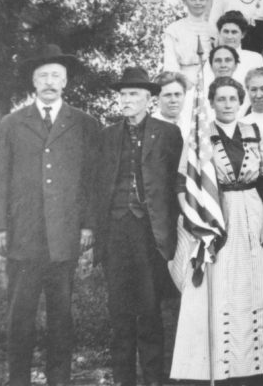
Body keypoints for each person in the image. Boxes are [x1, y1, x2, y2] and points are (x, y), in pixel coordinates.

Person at [0, 44, 100, 386]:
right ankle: (18, 379)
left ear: (65, 82)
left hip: (65, 239)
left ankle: (59, 380)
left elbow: (91, 180)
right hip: (24, 238)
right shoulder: (12, 123)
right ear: (34, 83)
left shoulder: (84, 123)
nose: (50, 82)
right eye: (43, 76)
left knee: (61, 319)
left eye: (56, 76)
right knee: (20, 317)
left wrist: (88, 226)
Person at [169, 77, 263, 381]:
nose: (227, 105)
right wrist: (196, 222)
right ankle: (221, 366)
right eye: (220, 99)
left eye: (232, 99)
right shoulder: (199, 134)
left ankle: (260, 366)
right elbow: (183, 182)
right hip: (216, 216)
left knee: (258, 286)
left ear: (240, 100)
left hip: (253, 210)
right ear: (212, 102)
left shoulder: (253, 131)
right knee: (222, 287)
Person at [93, 67, 183, 386]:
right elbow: (96, 185)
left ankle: (155, 379)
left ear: (149, 99)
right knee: (118, 311)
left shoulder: (168, 134)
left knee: (149, 309)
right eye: (123, 94)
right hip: (116, 232)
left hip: (151, 233)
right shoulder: (106, 135)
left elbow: (176, 186)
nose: (127, 99)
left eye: (134, 94)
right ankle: (123, 380)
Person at [163, 0, 217, 85]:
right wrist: (184, 83)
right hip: (183, 81)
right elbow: (170, 65)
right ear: (184, 1)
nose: (198, 3)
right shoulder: (173, 30)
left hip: (212, 80)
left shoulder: (214, 30)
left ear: (207, 0)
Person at [211, 10, 263, 82]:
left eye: (234, 32)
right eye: (226, 31)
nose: (229, 36)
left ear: (243, 34)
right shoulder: (212, 59)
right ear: (219, 33)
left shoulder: (255, 59)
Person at [153, 70, 190, 134]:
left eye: (177, 94)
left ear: (184, 96)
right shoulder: (149, 127)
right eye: (168, 95)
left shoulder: (191, 124)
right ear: (157, 98)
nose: (173, 100)